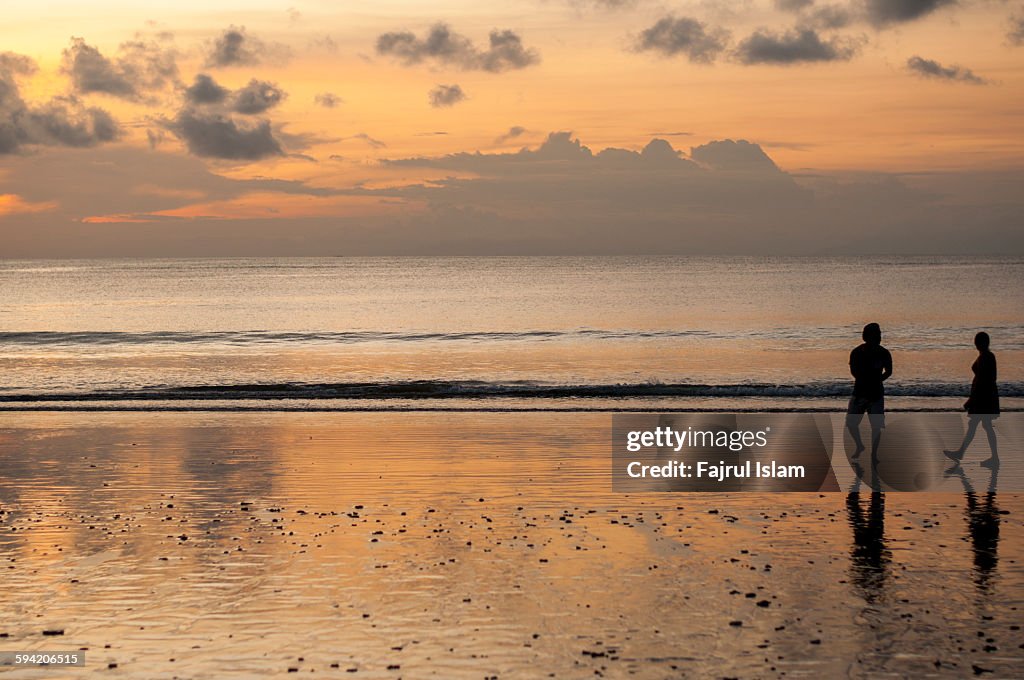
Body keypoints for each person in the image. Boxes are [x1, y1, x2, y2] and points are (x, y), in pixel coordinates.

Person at [944, 332, 999, 467]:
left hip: (983, 397)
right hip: (985, 396)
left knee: (979, 425)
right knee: (981, 426)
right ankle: (991, 457)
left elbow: (984, 380)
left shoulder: (986, 357)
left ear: (982, 343)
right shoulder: (986, 356)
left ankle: (992, 457)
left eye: (977, 341)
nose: (975, 343)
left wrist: (971, 400)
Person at [846, 323, 893, 460]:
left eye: (879, 334)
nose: (879, 337)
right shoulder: (856, 352)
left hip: (876, 393)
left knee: (876, 426)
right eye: (876, 334)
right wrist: (865, 381)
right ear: (866, 336)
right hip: (859, 392)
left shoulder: (884, 352)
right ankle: (860, 445)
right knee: (851, 423)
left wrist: (877, 381)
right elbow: (853, 371)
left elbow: (889, 371)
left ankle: (874, 454)